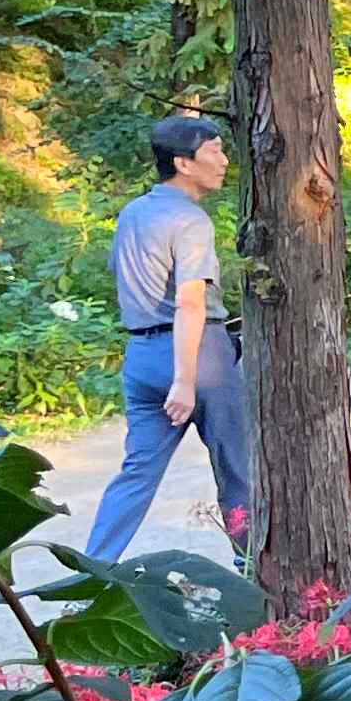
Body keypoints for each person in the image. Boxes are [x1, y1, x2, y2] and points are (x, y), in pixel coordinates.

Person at [94, 114, 257, 564]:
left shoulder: (133, 213)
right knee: (238, 472)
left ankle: (91, 574)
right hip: (198, 356)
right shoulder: (190, 221)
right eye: (215, 152)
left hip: (141, 354)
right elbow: (190, 301)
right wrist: (184, 380)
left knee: (136, 474)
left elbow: (123, 278)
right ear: (184, 164)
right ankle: (252, 576)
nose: (224, 161)